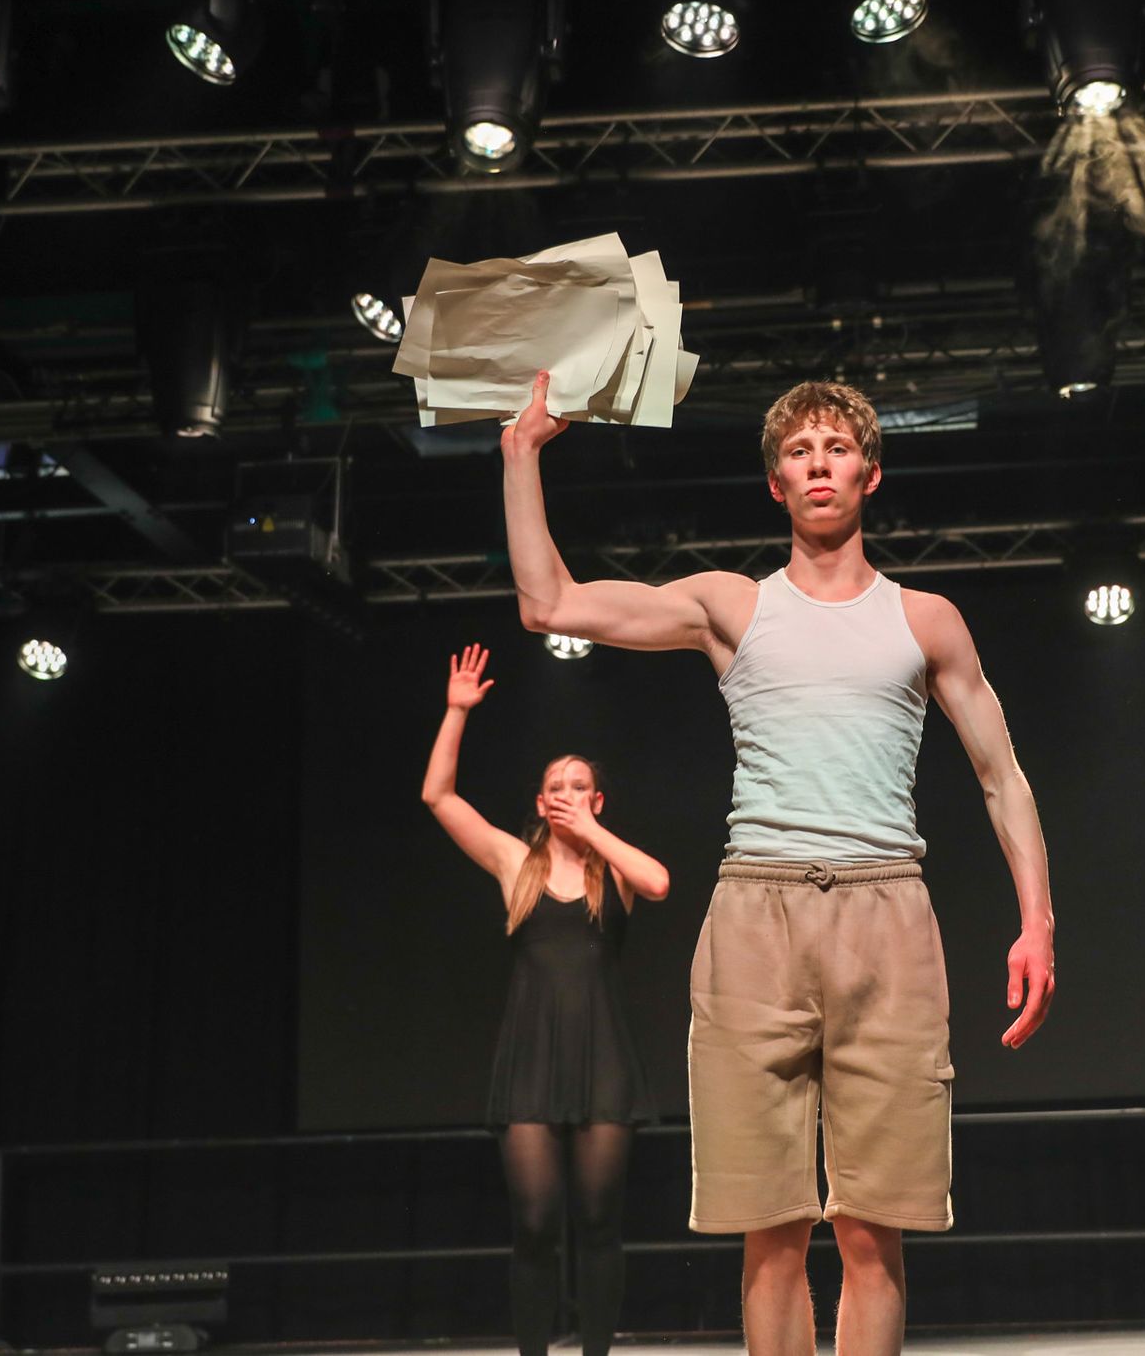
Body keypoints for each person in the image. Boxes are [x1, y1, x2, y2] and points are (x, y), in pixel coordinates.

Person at [498, 372, 1055, 1356]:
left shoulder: (926, 621)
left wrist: (1037, 921)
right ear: (777, 486)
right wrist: (520, 454)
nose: (818, 464)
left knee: (874, 1227)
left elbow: (1003, 775)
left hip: (887, 913)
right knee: (771, 1231)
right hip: (758, 916)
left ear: (870, 473)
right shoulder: (731, 607)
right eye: (798, 452)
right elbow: (549, 605)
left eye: (836, 448)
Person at [420, 642, 671, 1356]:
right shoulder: (515, 864)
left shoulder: (612, 869)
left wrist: (592, 832)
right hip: (530, 1058)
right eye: (554, 785)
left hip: (602, 1060)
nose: (564, 791)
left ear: (595, 798)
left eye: (578, 784)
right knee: (534, 1221)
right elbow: (438, 797)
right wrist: (456, 713)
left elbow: (657, 883)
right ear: (538, 800)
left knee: (597, 1222)